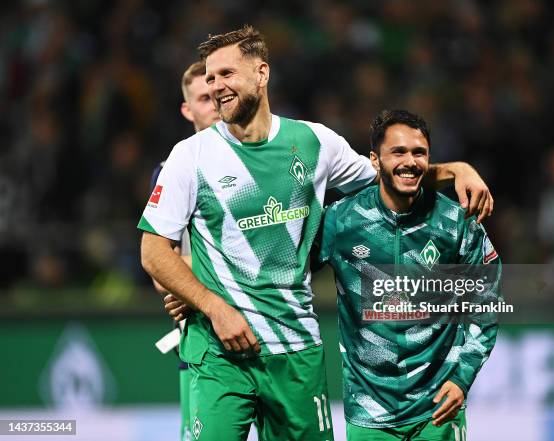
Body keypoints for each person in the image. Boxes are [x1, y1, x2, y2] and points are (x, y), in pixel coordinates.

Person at [139, 25, 494, 441]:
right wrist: (211, 305)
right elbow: (153, 252)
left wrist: (455, 171)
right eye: (211, 78)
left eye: (227, 74)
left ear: (261, 73)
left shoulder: (314, 142)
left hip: (295, 351)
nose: (217, 86)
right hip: (221, 351)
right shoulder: (190, 157)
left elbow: (389, 177)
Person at [317, 109, 501, 440]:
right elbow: (284, 272)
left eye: (419, 153)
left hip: (437, 408)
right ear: (375, 160)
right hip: (368, 410)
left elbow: (485, 304)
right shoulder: (341, 221)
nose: (410, 161)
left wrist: (462, 378)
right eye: (398, 152)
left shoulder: (455, 222)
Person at [150, 60, 220, 441]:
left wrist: (189, 274)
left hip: (266, 330)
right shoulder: (171, 172)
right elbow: (161, 266)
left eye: (217, 96)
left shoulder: (259, 163)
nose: (213, 103)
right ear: (187, 109)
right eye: (203, 98)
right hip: (198, 336)